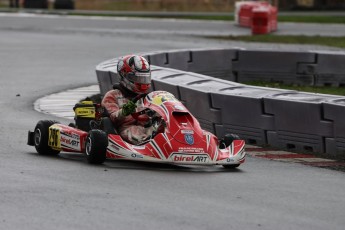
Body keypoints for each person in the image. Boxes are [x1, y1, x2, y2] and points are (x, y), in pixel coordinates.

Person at [101, 55, 160, 145]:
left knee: (163, 125)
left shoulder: (149, 97)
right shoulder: (113, 95)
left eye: (144, 78)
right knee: (134, 130)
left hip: (146, 128)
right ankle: (148, 144)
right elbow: (111, 117)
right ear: (124, 75)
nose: (142, 82)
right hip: (125, 129)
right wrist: (124, 111)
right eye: (137, 78)